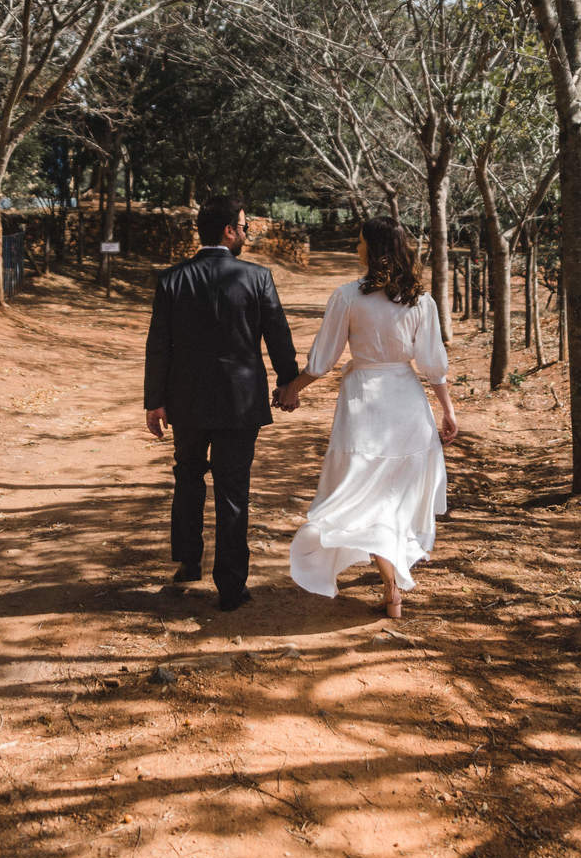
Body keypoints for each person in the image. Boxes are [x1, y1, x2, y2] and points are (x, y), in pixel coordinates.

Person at [280, 217, 456, 620]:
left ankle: (392, 585)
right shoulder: (420, 302)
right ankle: (393, 584)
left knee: (365, 495)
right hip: (407, 404)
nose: (355, 247)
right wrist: (448, 410)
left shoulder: (347, 297)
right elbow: (433, 366)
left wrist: (293, 388)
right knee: (393, 498)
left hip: (364, 405)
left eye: (359, 242)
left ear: (372, 250)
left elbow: (323, 359)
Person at [144, 195, 300, 611]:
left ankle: (189, 561)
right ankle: (231, 587)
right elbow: (277, 336)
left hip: (187, 401)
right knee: (233, 490)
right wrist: (289, 382)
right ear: (229, 230)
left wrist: (154, 401)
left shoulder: (172, 279)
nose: (247, 234)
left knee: (189, 477)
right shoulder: (257, 277)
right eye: (245, 227)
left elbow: (158, 346)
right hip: (239, 402)